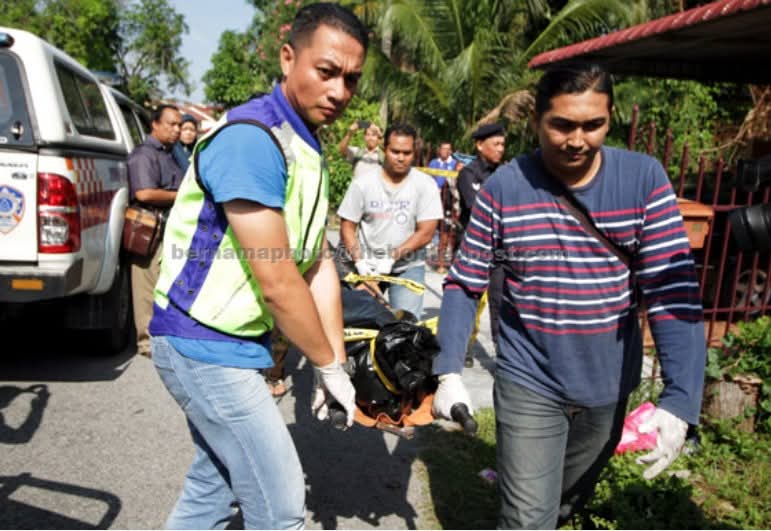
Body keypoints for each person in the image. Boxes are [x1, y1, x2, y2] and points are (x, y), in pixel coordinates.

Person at [432, 63, 707, 528]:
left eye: (592, 125)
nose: (577, 140)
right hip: (530, 379)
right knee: (526, 519)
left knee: (563, 502)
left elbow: (671, 289)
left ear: (610, 117)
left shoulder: (644, 181)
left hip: (608, 387)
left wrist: (680, 399)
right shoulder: (504, 189)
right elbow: (464, 281)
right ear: (537, 120)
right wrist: (448, 371)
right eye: (562, 125)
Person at [147, 4, 368, 528]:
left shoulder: (306, 146)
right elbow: (277, 278)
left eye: (352, 79)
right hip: (202, 343)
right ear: (288, 57)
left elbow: (316, 265)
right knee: (281, 507)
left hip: (235, 344)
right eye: (327, 71)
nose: (340, 91)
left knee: (212, 493)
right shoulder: (254, 139)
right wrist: (327, 366)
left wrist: (334, 359)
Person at [337, 122, 443, 320]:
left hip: (407, 267)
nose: (401, 158)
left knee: (405, 329)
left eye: (407, 152)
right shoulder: (363, 184)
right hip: (367, 265)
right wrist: (359, 262)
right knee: (359, 324)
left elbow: (426, 232)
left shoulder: (425, 185)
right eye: (395, 151)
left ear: (414, 153)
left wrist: (392, 257)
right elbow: (348, 226)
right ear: (385, 149)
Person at [126, 104, 184, 359]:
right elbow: (144, 193)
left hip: (169, 227)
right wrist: (180, 195)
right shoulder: (144, 154)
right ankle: (146, 342)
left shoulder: (171, 153)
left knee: (165, 284)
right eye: (171, 124)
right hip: (148, 228)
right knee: (146, 285)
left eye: (179, 125)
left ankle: (163, 337)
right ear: (155, 124)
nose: (177, 129)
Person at [457, 122, 506, 366]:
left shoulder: (506, 175)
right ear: (479, 145)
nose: (501, 149)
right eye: (496, 144)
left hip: (499, 251)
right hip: (473, 249)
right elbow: (476, 209)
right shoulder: (468, 174)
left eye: (503, 144)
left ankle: (503, 355)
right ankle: (462, 348)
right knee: (469, 300)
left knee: (500, 301)